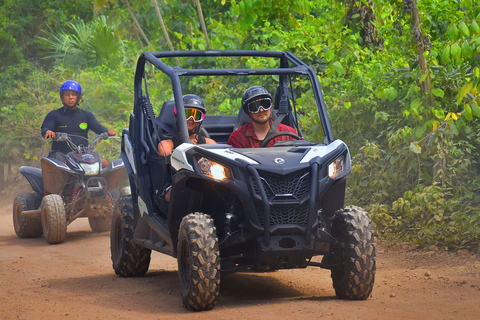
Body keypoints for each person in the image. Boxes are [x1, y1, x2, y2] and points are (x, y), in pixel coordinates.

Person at [41, 80, 116, 165]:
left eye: (74, 94)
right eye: (67, 94)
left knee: (104, 163)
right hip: (60, 154)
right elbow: (45, 128)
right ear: (62, 97)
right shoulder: (54, 115)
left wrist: (107, 131)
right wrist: (48, 132)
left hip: (83, 153)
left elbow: (97, 127)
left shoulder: (86, 115)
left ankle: (100, 179)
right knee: (53, 167)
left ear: (78, 97)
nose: (70, 97)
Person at [157, 94, 216, 202]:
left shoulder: (209, 142)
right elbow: (164, 152)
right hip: (174, 186)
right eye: (187, 114)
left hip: (207, 185)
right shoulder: (167, 144)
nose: (191, 119)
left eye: (196, 115)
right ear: (178, 115)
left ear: (200, 119)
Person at [228, 86, 298, 148]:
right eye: (254, 107)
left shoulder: (289, 133)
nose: (261, 110)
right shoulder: (237, 138)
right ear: (247, 111)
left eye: (265, 104)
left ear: (270, 107)